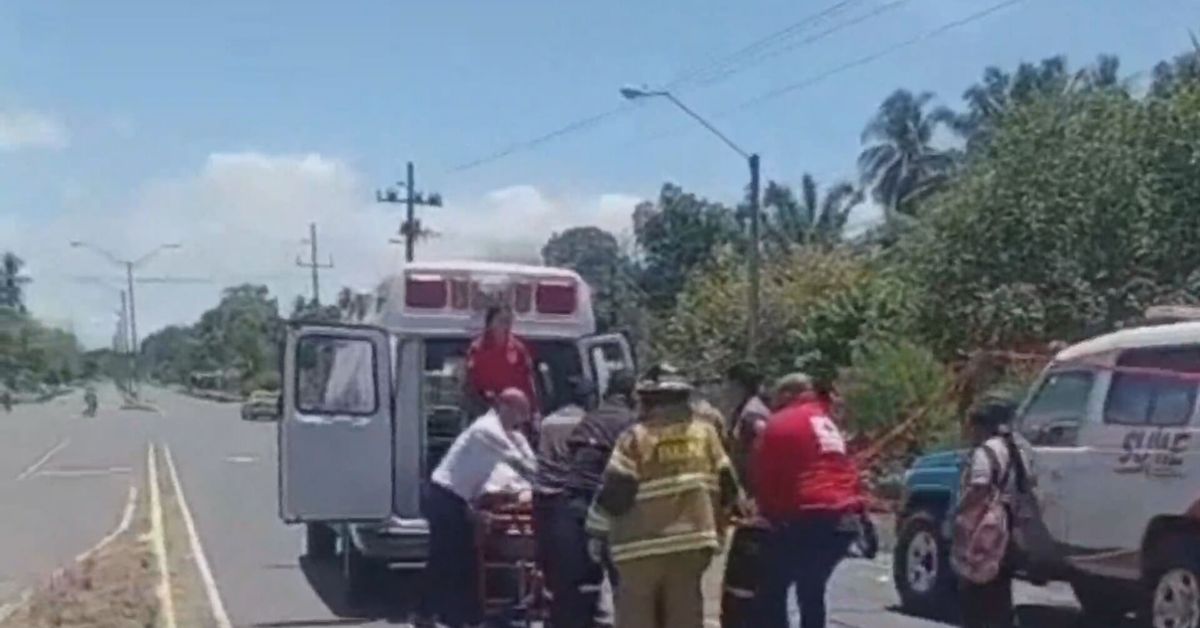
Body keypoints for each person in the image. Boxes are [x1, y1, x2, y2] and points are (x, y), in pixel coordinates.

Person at [587, 364, 738, 628]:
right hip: (693, 544)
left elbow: (616, 490)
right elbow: (728, 486)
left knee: (637, 614)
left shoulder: (636, 437)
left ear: (646, 400)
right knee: (685, 613)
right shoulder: (706, 434)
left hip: (639, 548)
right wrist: (719, 528)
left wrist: (595, 532)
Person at [752, 373, 865, 628]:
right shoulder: (825, 420)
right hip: (845, 519)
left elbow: (765, 477)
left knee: (772, 585)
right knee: (811, 588)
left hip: (809, 517)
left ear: (787, 395)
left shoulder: (779, 423)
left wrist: (767, 514)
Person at [420, 388, 537, 628]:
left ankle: (453, 614)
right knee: (445, 558)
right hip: (446, 496)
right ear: (506, 408)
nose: (522, 420)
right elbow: (522, 464)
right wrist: (546, 481)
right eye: (520, 413)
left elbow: (526, 459)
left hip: (457, 498)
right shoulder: (487, 430)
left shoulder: (503, 432)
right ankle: (431, 613)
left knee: (460, 557)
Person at [547, 370, 637, 628]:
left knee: (579, 588)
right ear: (631, 395)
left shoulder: (589, 420)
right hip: (606, 507)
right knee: (624, 584)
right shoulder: (631, 424)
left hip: (571, 506)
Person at [955, 399, 1031, 628]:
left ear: (982, 426)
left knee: (975, 593)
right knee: (1000, 595)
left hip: (986, 532)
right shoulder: (1017, 450)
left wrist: (958, 511)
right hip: (1010, 530)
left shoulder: (986, 451)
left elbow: (980, 486)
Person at [530, 379, 592, 623]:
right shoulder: (587, 423)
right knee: (575, 562)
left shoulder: (548, 422)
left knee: (548, 559)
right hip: (568, 495)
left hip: (543, 494)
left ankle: (550, 608)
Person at [718, 361, 771, 628]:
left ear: (739, 385)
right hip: (749, 504)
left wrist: (752, 496)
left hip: (756, 507)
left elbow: (764, 455)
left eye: (729, 384)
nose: (725, 390)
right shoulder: (745, 412)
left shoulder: (753, 417)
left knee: (742, 582)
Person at [465, 304, 540, 422]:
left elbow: (528, 382)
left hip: (516, 414)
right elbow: (471, 384)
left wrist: (534, 411)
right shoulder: (477, 349)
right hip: (485, 412)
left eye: (508, 321)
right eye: (501, 321)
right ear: (490, 323)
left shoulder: (518, 349)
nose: (506, 325)